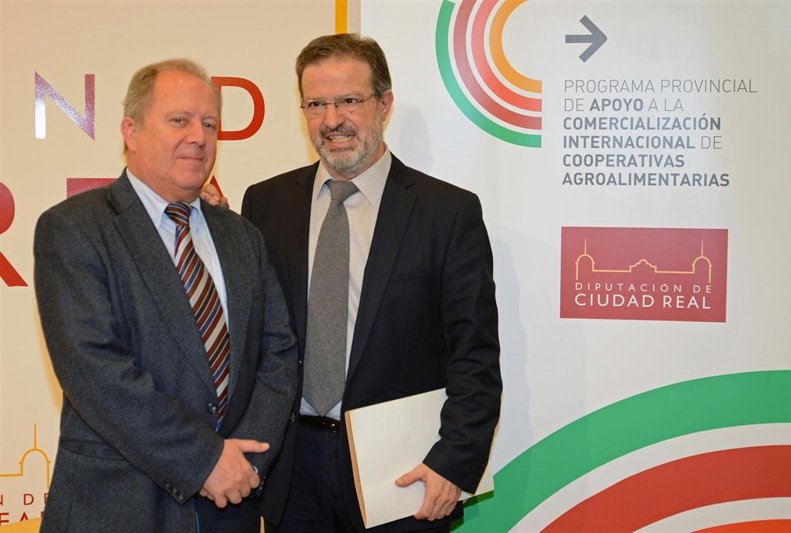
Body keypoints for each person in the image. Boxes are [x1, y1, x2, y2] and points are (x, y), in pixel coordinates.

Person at [240, 33, 502, 532]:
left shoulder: (447, 213)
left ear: (384, 104)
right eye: (316, 104)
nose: (331, 119)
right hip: (292, 473)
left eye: (349, 101)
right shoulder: (265, 204)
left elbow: (474, 355)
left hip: (400, 472)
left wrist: (453, 461)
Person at [33, 58, 297, 532]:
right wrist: (205, 461)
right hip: (119, 509)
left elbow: (278, 354)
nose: (199, 136)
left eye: (210, 124)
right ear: (130, 131)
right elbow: (94, 369)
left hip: (231, 507)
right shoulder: (74, 229)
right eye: (179, 120)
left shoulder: (243, 238)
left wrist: (246, 463)